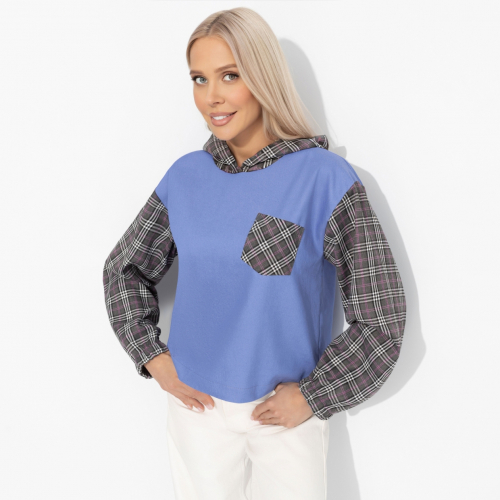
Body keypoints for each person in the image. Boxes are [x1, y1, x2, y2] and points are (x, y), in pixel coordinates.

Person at [102, 7, 406, 500]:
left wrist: (313, 396)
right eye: (199, 79)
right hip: (195, 411)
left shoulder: (324, 178)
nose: (212, 97)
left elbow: (382, 317)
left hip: (284, 420)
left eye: (230, 76)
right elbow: (123, 270)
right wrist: (152, 357)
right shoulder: (186, 177)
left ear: (263, 78)